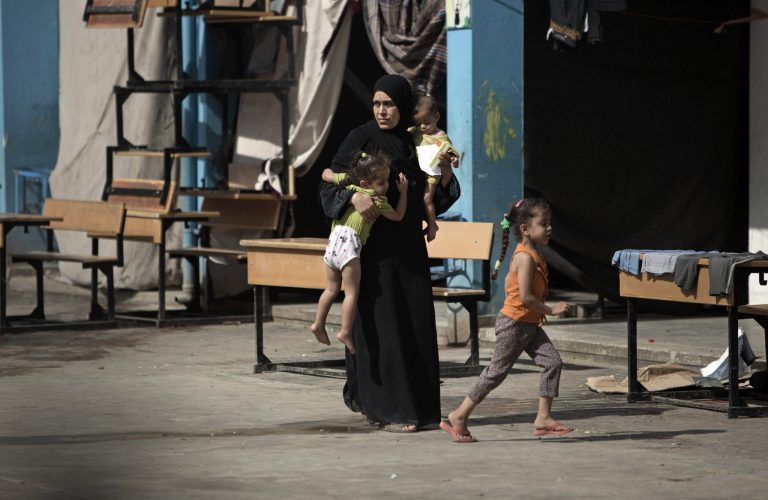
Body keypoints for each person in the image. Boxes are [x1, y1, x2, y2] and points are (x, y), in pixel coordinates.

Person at [319, 74, 460, 433]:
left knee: (414, 324)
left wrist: (443, 174)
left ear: (403, 106)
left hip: (408, 248)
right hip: (373, 251)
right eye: (377, 103)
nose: (382, 111)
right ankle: (385, 407)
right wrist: (354, 196)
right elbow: (328, 183)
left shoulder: (416, 141)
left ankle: (418, 408)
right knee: (381, 327)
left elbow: (437, 194)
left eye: (390, 104)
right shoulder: (361, 136)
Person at [439, 198, 573, 443]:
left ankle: (543, 418)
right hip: (514, 325)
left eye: (549, 223)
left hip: (528, 324)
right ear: (525, 229)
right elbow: (525, 297)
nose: (549, 228)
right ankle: (459, 415)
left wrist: (538, 314)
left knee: (552, 362)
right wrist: (550, 310)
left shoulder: (535, 254)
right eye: (544, 224)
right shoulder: (525, 257)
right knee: (495, 373)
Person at [311, 151, 409, 354]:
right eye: (381, 182)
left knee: (330, 289)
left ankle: (318, 324)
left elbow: (325, 174)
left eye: (387, 181)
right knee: (351, 292)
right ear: (365, 183)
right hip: (350, 244)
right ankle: (345, 331)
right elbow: (399, 216)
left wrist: (335, 176)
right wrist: (404, 192)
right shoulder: (377, 200)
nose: (387, 186)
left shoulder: (349, 186)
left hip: (333, 242)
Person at [409, 94, 459, 242]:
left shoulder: (441, 135)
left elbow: (451, 152)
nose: (423, 126)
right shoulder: (416, 131)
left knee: (426, 198)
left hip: (432, 173)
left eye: (427, 122)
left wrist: (454, 160)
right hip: (419, 171)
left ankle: (432, 224)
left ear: (437, 117)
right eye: (419, 123)